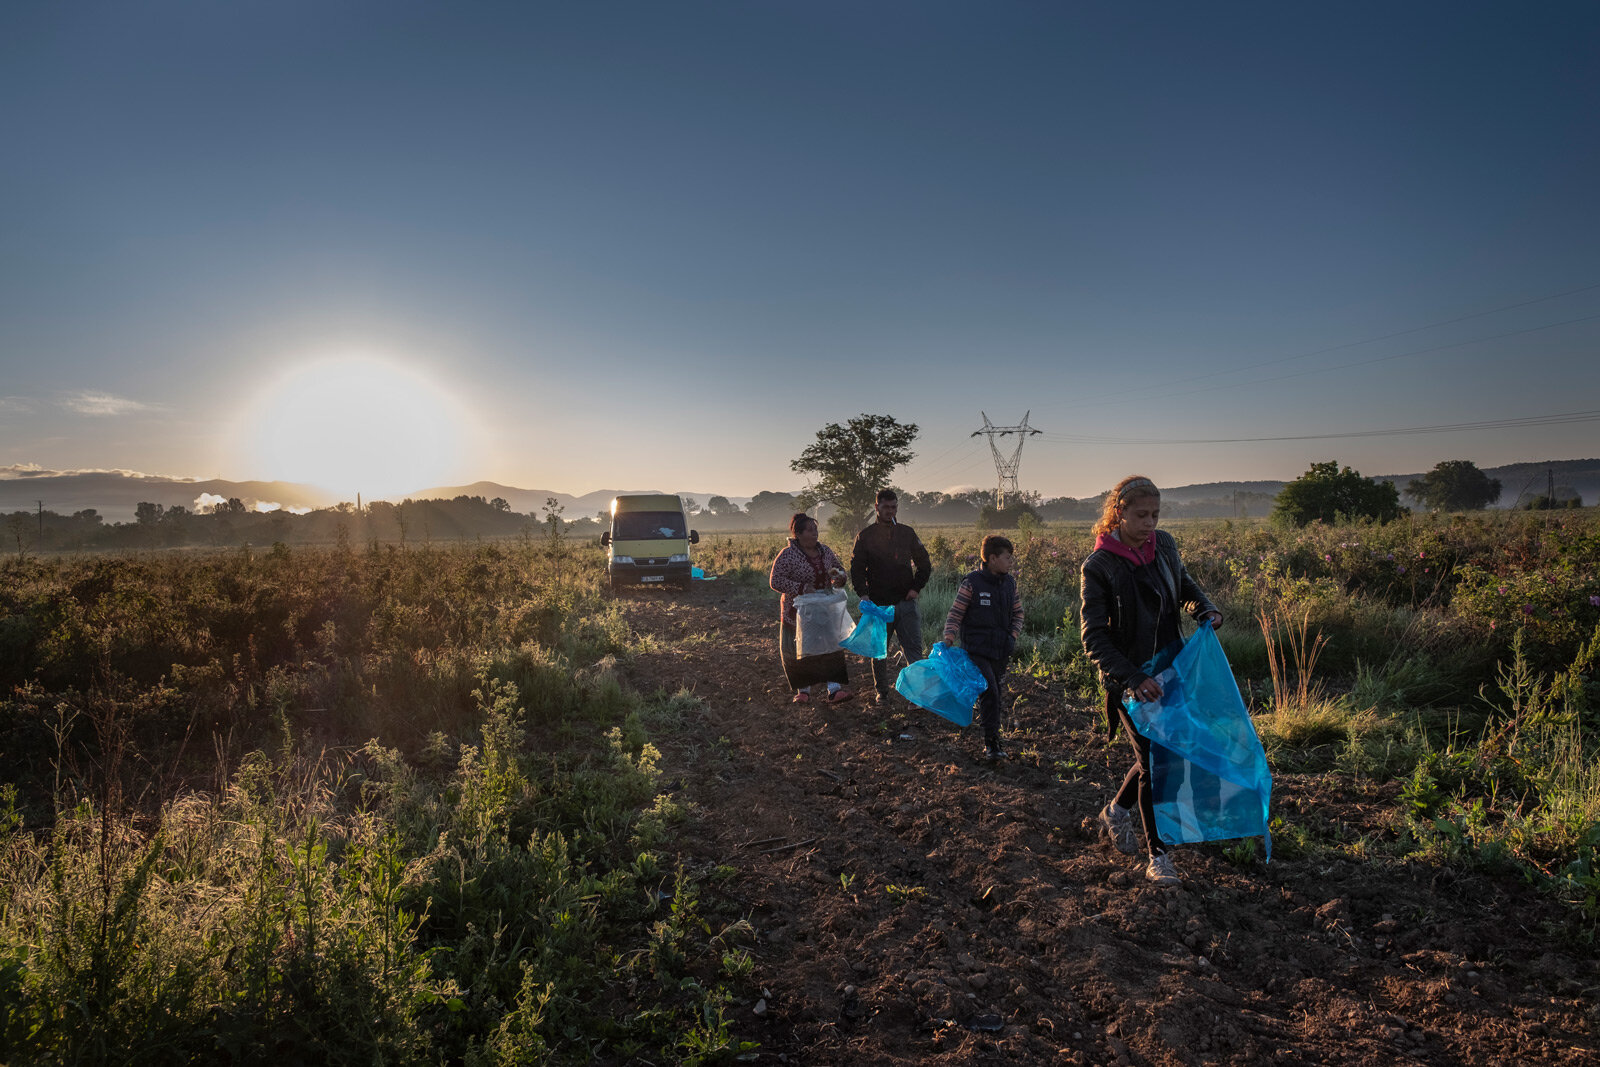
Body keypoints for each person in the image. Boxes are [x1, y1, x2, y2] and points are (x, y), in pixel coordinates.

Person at [1079, 475, 1222, 886]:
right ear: (1118, 513)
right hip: (1130, 678)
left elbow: (1185, 587)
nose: (1149, 523)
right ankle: (1158, 857)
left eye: (1155, 515)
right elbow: (1094, 636)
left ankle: (1115, 813)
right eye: (1141, 515)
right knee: (1155, 763)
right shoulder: (1100, 565)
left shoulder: (1165, 547)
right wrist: (1133, 677)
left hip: (1171, 669)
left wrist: (1205, 610)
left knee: (1163, 754)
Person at [941, 534, 1024, 760]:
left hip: (1001, 649)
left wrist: (1012, 636)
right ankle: (991, 745)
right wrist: (949, 637)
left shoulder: (1009, 584)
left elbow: (1018, 613)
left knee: (995, 693)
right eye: (1007, 558)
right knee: (990, 691)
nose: (1011, 562)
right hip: (976, 650)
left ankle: (993, 736)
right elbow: (956, 613)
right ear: (992, 558)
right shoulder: (972, 583)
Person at [849, 489, 932, 707]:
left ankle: (916, 695)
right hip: (878, 604)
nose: (890, 511)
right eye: (885, 507)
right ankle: (882, 693)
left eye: (893, 507)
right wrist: (864, 594)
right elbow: (857, 569)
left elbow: (924, 563)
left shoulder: (907, 533)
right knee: (879, 651)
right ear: (876, 507)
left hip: (905, 603)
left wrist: (916, 588)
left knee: (913, 649)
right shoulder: (865, 536)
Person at [769, 513, 855, 704]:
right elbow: (775, 580)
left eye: (816, 529)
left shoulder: (825, 551)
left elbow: (839, 570)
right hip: (797, 611)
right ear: (798, 534)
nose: (815, 533)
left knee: (830, 645)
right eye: (810, 530)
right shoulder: (788, 555)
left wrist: (840, 578)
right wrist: (800, 588)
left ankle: (834, 689)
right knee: (801, 648)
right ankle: (803, 691)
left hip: (824, 608)